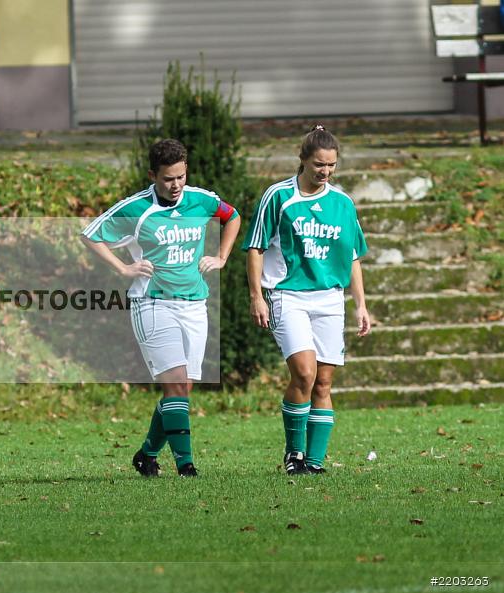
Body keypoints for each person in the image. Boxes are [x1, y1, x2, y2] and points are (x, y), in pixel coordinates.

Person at [81, 138, 240, 477]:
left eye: (181, 176)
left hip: (194, 303)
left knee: (182, 389)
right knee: (176, 385)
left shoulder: (201, 200)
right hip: (152, 304)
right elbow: (90, 234)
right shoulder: (137, 208)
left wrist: (222, 257)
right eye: (168, 179)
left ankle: (147, 454)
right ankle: (187, 467)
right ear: (153, 174)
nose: (176, 185)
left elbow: (232, 216)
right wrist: (124, 269)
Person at [242, 125, 371, 476]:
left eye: (330, 165)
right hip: (288, 296)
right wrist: (258, 296)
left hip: (330, 299)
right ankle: (294, 455)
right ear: (302, 160)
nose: (325, 171)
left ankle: (314, 462)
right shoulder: (278, 197)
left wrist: (360, 304)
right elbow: (254, 247)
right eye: (318, 164)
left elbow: (353, 256)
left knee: (324, 383)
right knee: (304, 373)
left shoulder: (343, 203)